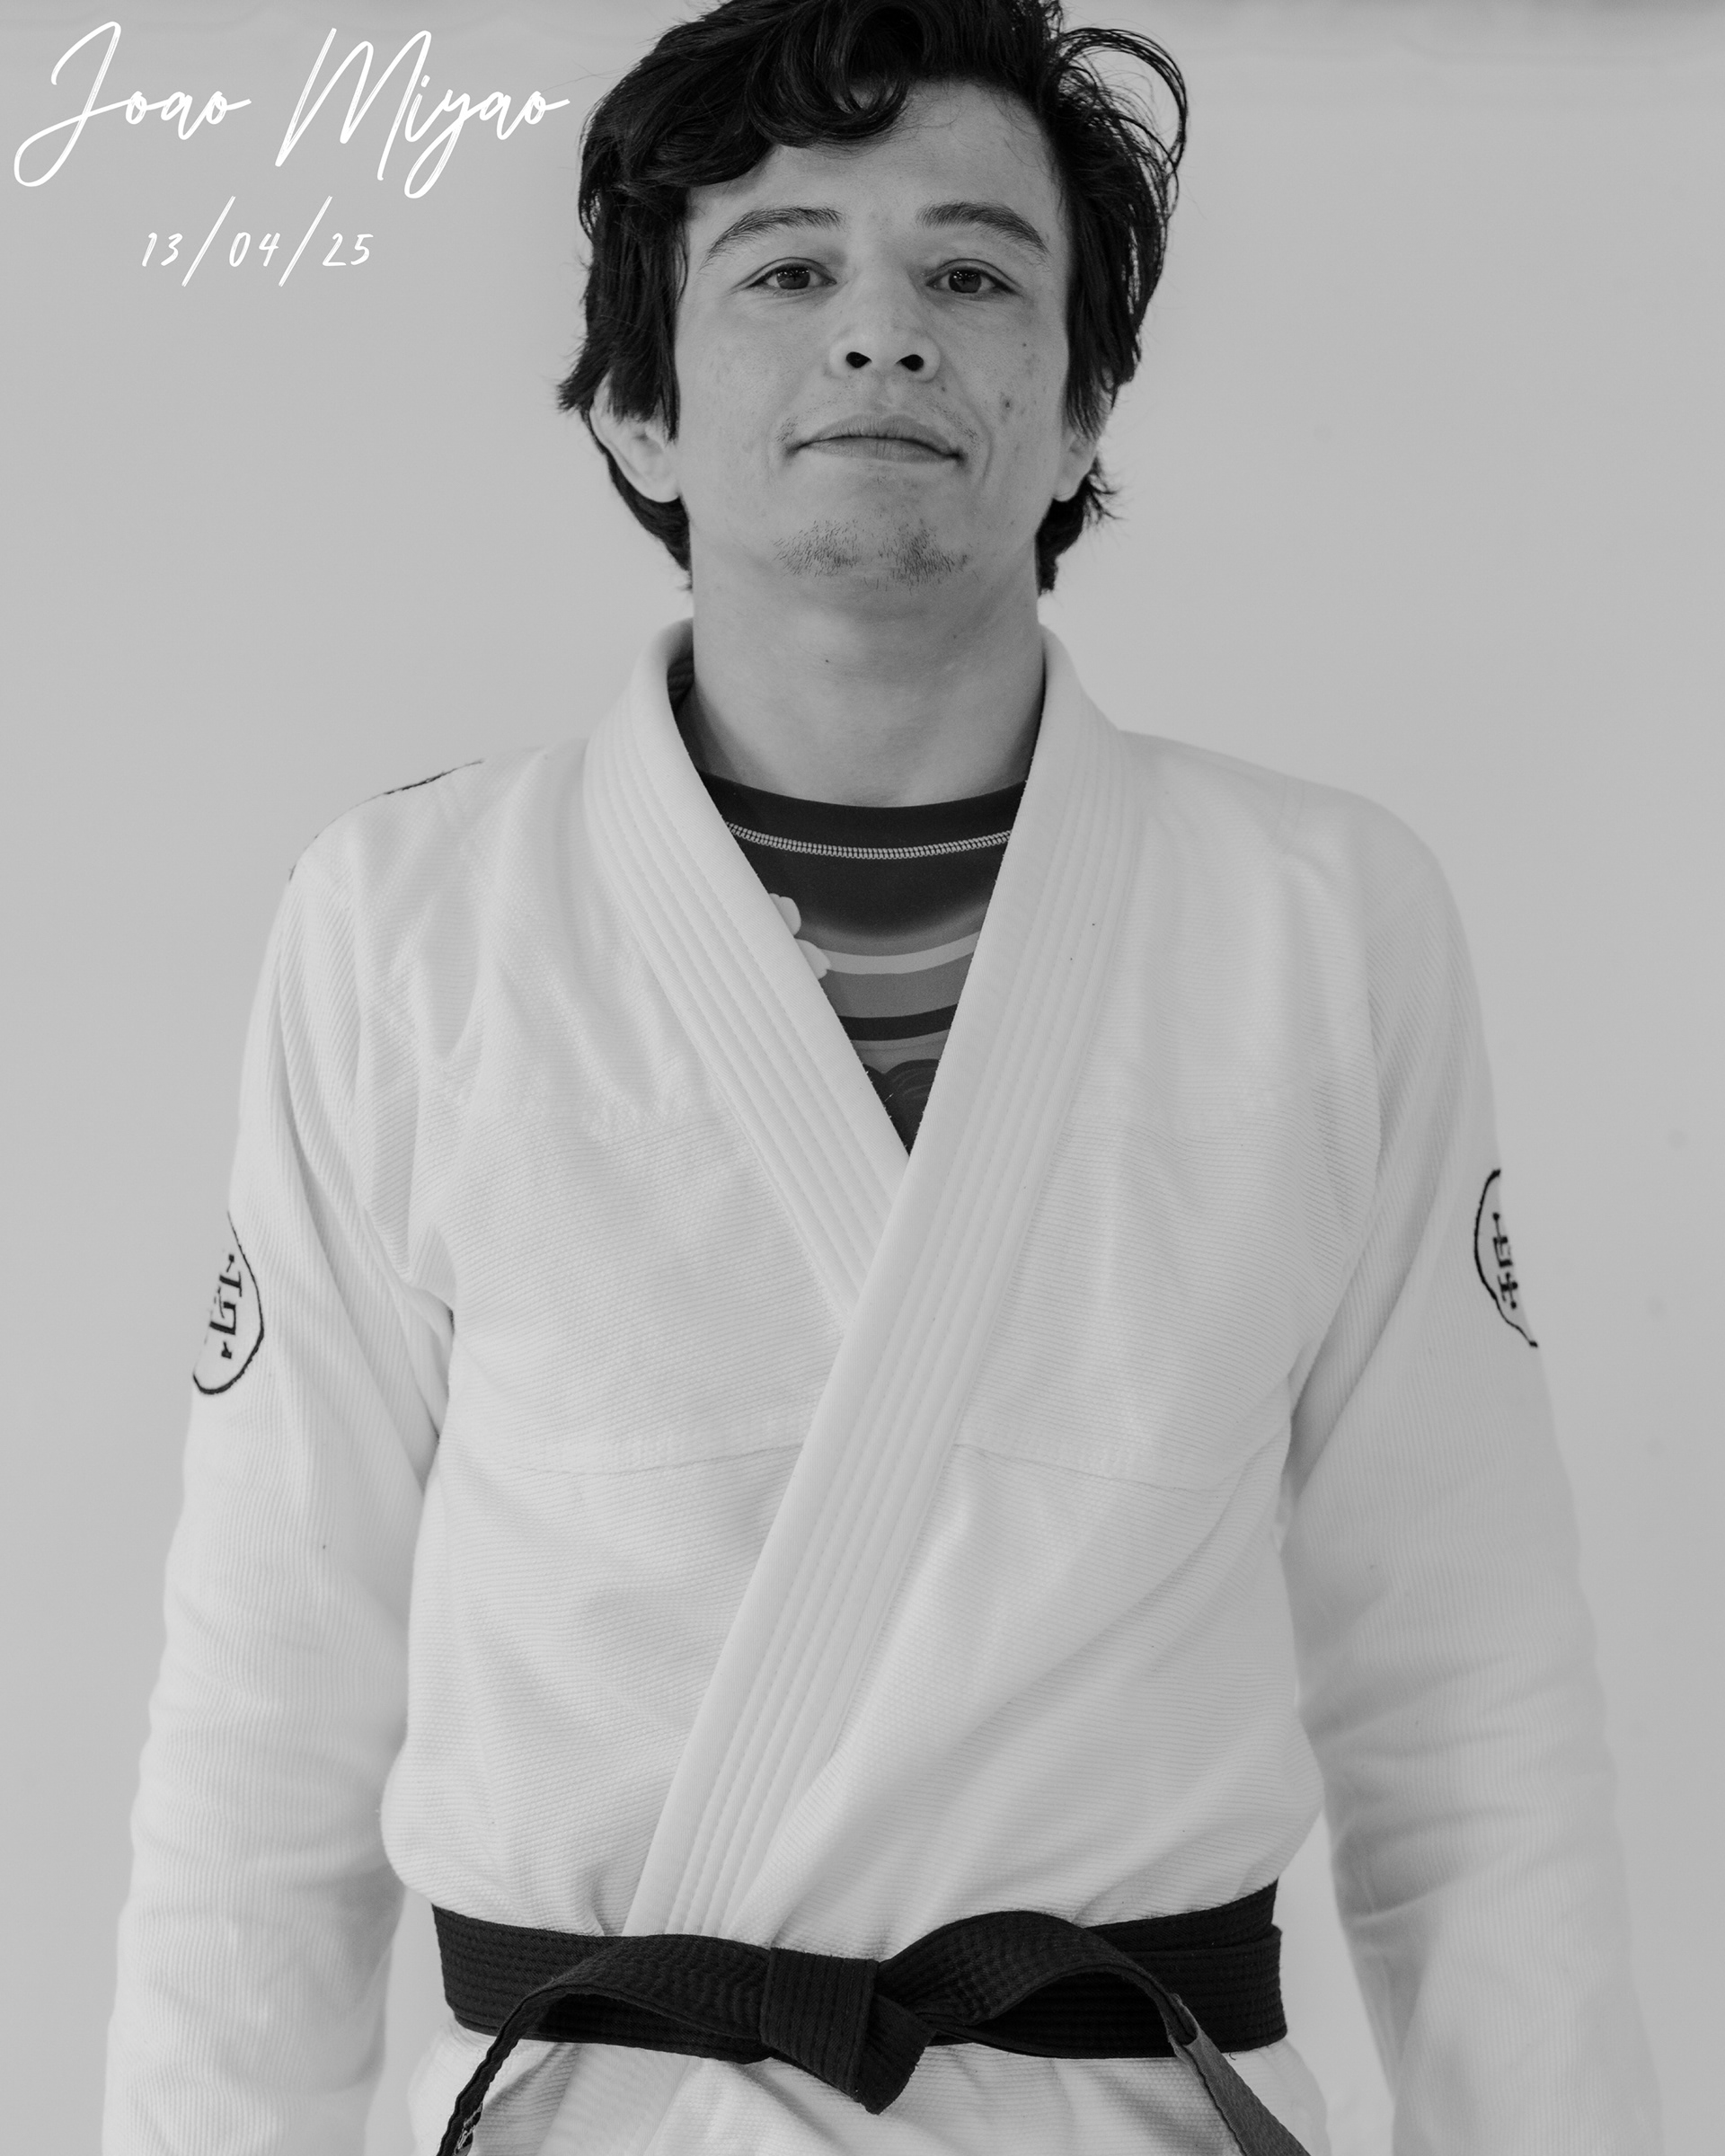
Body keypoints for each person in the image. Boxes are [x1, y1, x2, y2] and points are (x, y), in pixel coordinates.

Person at [103, 3, 1661, 2152]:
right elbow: (266, 1732)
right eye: (785, 268)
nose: (882, 331)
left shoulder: (1322, 921)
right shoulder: (407, 925)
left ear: (1081, 406)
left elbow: (1470, 1719)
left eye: (972, 271)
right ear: (642, 407)